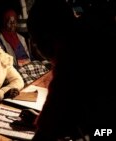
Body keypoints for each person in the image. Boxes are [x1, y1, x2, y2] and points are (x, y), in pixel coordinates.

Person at [27, 0, 116, 141]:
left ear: (47, 38)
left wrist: (47, 124)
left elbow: (48, 131)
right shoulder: (92, 31)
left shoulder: (72, 55)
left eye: (36, 43)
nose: (37, 49)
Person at [0, 9, 50, 85]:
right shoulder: (0, 39)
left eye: (14, 21)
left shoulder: (21, 37)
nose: (12, 24)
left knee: (42, 69)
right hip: (16, 68)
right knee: (23, 78)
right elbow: (4, 62)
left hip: (28, 65)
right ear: (4, 22)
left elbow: (29, 56)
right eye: (9, 21)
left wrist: (34, 63)